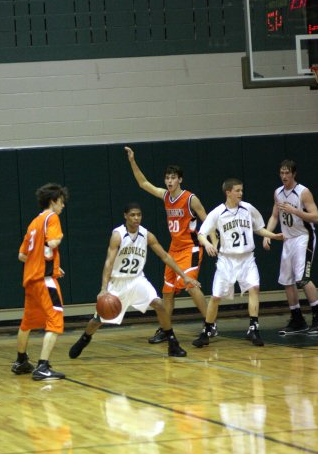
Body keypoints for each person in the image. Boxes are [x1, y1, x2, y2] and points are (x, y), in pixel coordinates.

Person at [68, 202, 201, 359]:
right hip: (118, 282)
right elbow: (109, 262)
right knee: (98, 320)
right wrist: (104, 288)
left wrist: (184, 275)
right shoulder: (118, 235)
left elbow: (164, 255)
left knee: (159, 304)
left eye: (138, 215)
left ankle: (173, 343)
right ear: (125, 216)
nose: (136, 218)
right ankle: (84, 339)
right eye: (132, 215)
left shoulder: (146, 235)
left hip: (137, 279)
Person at [124, 145, 217, 343]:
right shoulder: (166, 196)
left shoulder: (190, 199)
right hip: (174, 249)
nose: (169, 181)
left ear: (180, 180)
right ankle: (166, 330)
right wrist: (132, 161)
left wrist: (213, 243)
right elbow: (143, 183)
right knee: (167, 293)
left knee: (190, 285)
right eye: (167, 178)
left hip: (190, 248)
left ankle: (210, 324)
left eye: (173, 178)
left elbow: (208, 221)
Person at [192, 178, 284, 348]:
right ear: (228, 192)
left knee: (254, 288)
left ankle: (254, 328)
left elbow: (258, 228)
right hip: (226, 259)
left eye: (242, 190)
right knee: (215, 297)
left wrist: (273, 236)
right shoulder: (217, 212)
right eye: (237, 190)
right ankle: (207, 330)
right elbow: (201, 233)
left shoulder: (248, 208)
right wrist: (208, 244)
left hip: (247, 258)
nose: (241, 193)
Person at [263, 159, 318, 335]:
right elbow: (274, 216)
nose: (284, 176)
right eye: (281, 173)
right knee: (287, 281)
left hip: (303, 237)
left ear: (293, 174)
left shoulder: (303, 192)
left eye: (287, 173)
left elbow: (316, 217)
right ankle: (297, 319)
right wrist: (267, 235)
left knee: (303, 278)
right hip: (288, 240)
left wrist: (295, 211)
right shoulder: (278, 192)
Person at [11, 183, 69, 380]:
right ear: (53, 202)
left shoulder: (34, 222)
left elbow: (21, 255)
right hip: (45, 281)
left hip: (31, 281)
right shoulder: (52, 218)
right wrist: (59, 237)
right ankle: (43, 367)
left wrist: (50, 264)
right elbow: (52, 243)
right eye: (61, 202)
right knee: (55, 319)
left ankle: (20, 361)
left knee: (27, 323)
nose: (63, 207)